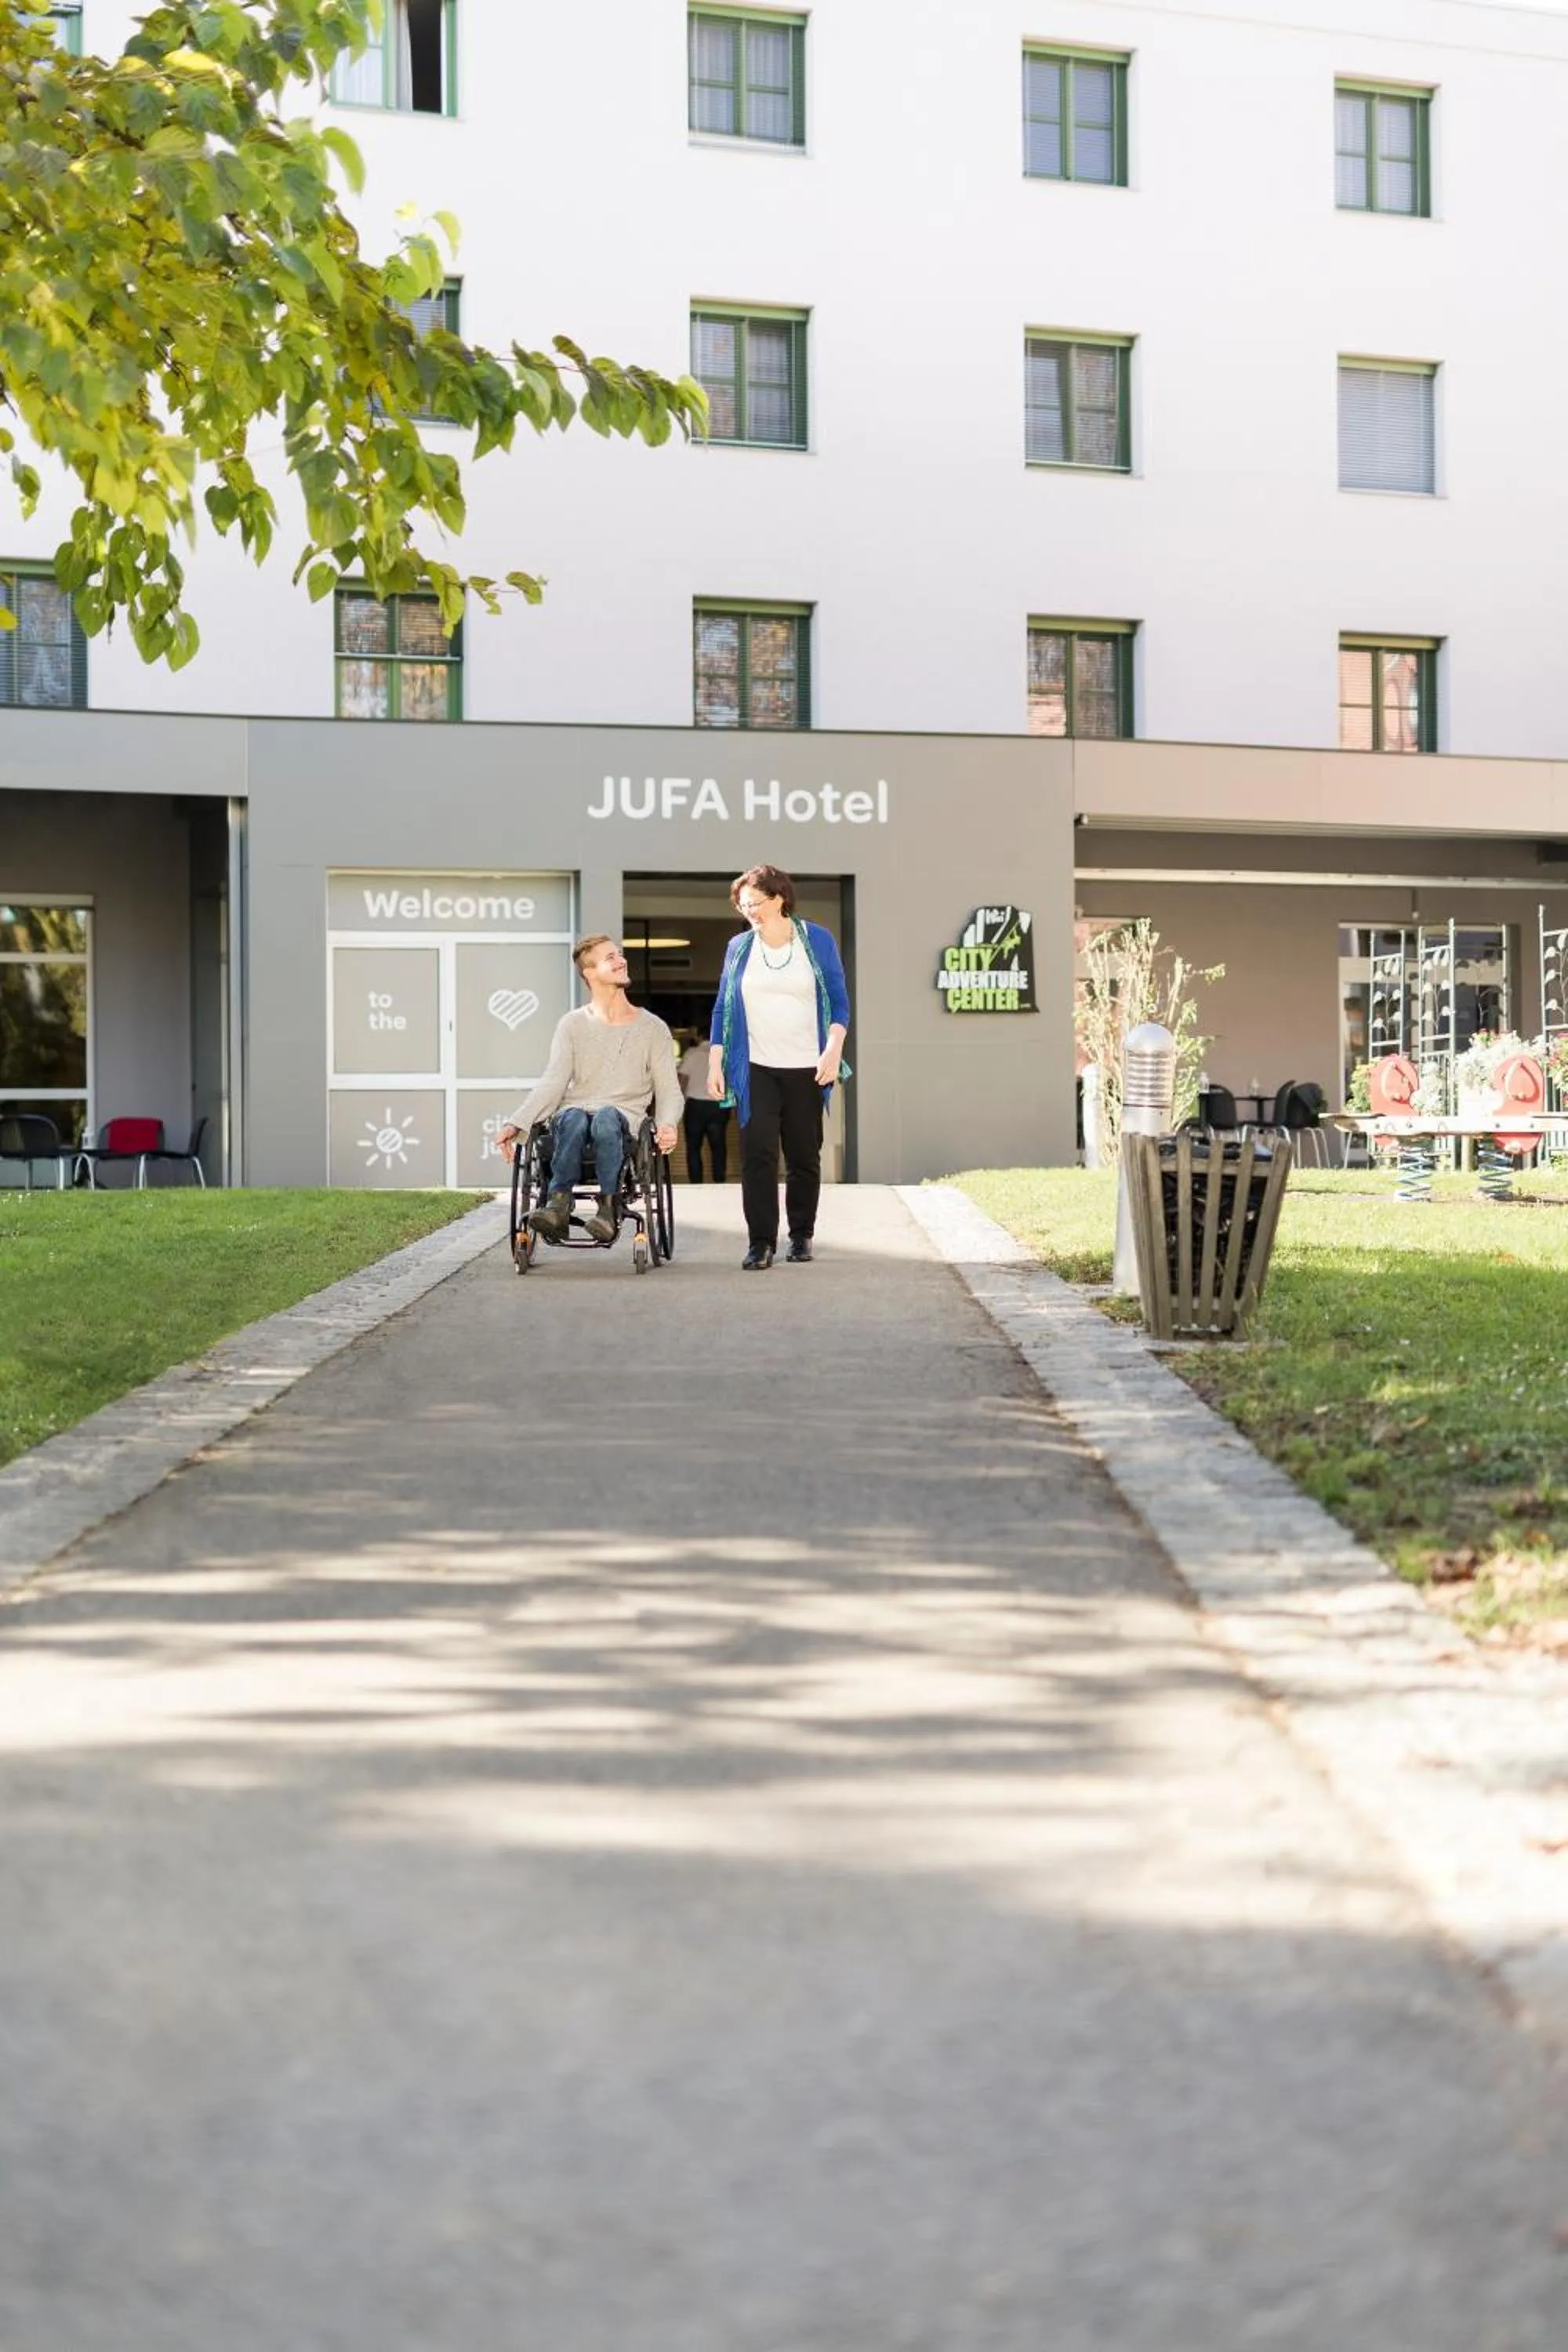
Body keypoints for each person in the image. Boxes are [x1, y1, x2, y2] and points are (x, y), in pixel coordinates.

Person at [708, 864, 850, 1269]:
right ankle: (760, 1243)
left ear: (779, 899)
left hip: (809, 1063)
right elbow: (723, 1007)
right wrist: (716, 1061)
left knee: (804, 1153)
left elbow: (839, 1002)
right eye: (743, 904)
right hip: (755, 1065)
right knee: (758, 1154)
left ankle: (801, 1235)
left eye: (755, 903)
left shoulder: (816, 940)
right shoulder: (739, 947)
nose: (749, 911)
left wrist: (833, 1049)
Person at [498, 936, 681, 1243]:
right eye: (611, 957)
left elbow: (669, 1090)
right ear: (590, 973)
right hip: (575, 1114)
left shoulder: (653, 1028)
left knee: (608, 1117)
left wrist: (667, 1123)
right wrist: (517, 1122)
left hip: (623, 1119)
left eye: (620, 955)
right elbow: (553, 1082)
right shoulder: (572, 1025)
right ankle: (558, 1204)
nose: (622, 960)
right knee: (572, 1117)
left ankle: (608, 1210)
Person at [677, 1020, 728, 1182]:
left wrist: (679, 1103)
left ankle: (696, 1183)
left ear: (698, 1036)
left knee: (693, 1147)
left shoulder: (692, 1054)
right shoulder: (724, 1054)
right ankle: (719, 1181)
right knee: (718, 1146)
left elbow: (682, 1080)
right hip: (718, 1105)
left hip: (696, 1106)